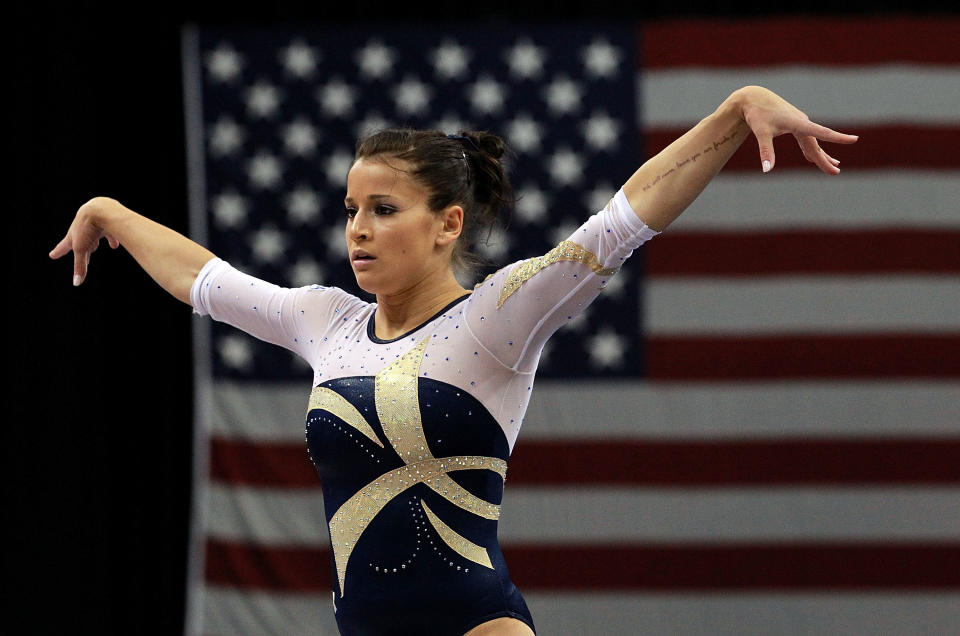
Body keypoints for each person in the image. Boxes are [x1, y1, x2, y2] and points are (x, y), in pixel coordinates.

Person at [51, 85, 856, 636]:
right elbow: (206, 279)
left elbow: (622, 221)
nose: (357, 229)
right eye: (351, 211)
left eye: (383, 210)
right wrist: (110, 212)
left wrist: (736, 110)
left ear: (447, 224)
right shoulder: (323, 321)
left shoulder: (496, 319)